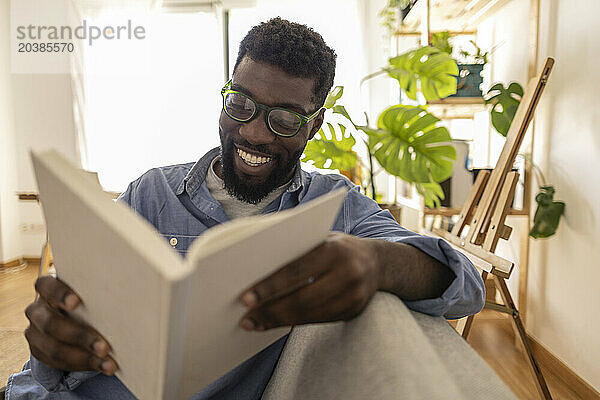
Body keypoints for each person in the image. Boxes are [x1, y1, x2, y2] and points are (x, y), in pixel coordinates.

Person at [6, 17, 484, 400]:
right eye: (241, 103)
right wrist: (49, 338)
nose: (254, 132)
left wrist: (379, 262)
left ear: (313, 126)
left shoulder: (335, 208)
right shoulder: (151, 193)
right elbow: (61, 330)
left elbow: (465, 284)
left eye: (282, 119)